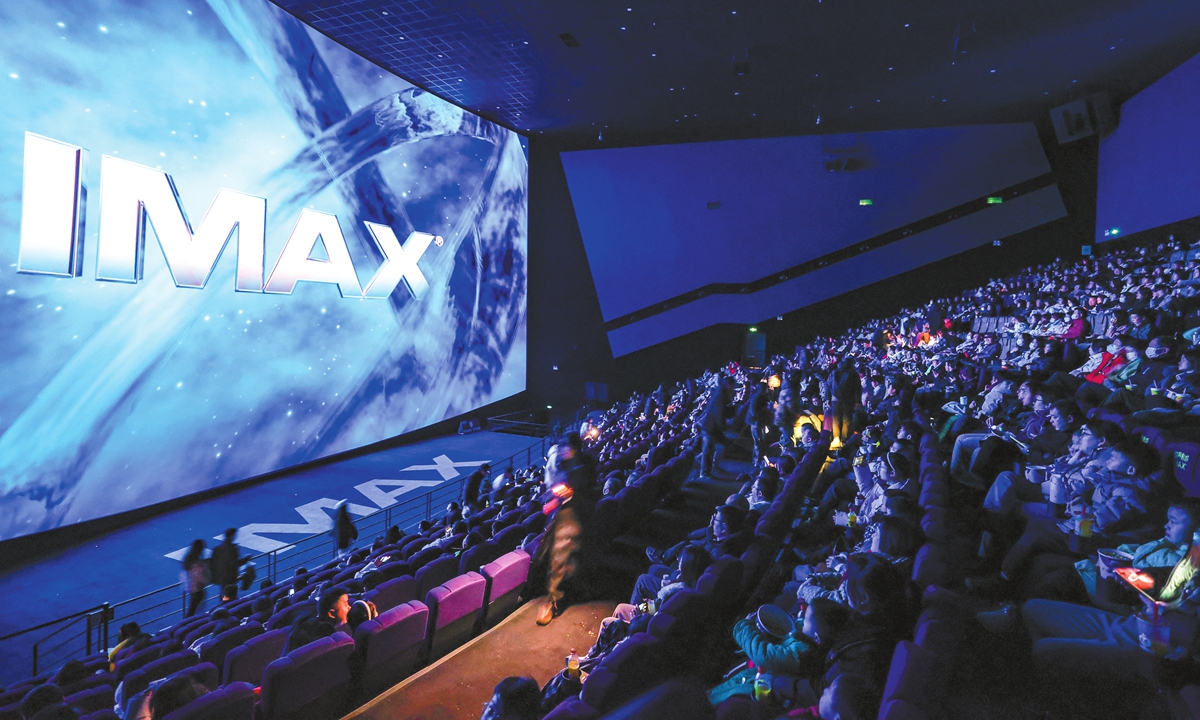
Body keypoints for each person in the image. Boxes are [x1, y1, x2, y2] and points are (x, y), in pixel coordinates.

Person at [534, 436, 599, 625]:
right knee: (567, 559)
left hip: (572, 518)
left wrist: (554, 501)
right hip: (580, 516)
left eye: (565, 447)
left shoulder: (578, 466)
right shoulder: (583, 462)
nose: (562, 451)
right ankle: (568, 592)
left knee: (559, 560)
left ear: (573, 448)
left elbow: (571, 491)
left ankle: (552, 603)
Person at [209, 528, 245, 592]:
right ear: (232, 536)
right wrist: (246, 559)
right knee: (231, 594)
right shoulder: (233, 549)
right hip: (231, 577)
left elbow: (213, 563)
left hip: (222, 577)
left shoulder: (217, 549)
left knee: (224, 593)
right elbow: (236, 563)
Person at [181, 540, 209, 618]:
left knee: (192, 609)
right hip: (198, 589)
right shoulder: (198, 563)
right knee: (193, 611)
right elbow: (202, 579)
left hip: (192, 588)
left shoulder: (188, 560)